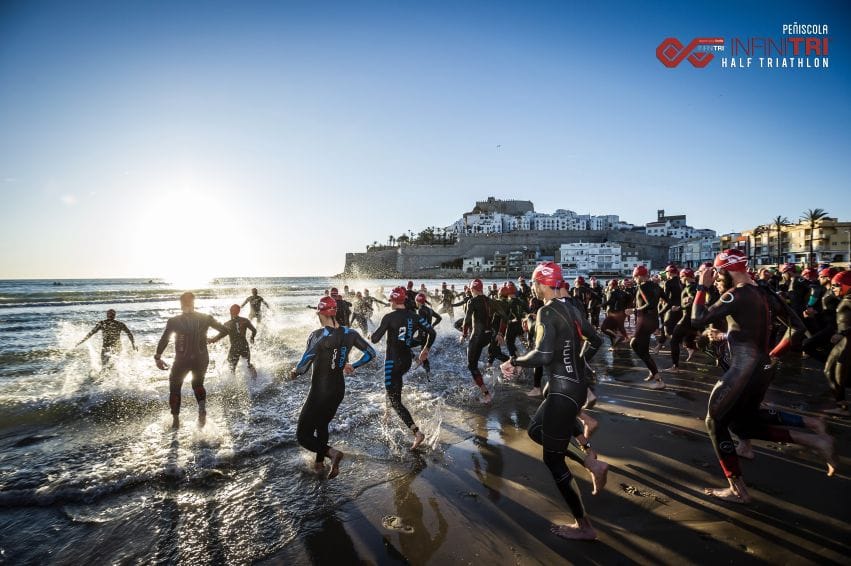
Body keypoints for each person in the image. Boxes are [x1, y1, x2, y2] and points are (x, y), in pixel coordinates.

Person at [691, 250, 835, 502]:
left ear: (727, 270)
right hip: (763, 369)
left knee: (715, 422)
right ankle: (813, 437)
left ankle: (737, 490)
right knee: (742, 424)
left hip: (742, 370)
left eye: (718, 273)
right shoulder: (765, 292)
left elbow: (697, 319)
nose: (717, 278)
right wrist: (772, 354)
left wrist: (701, 287)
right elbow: (797, 327)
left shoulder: (736, 294)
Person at [500, 262, 607, 541]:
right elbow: (595, 340)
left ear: (542, 283)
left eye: (534, 283)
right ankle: (589, 459)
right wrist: (579, 363)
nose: (533, 288)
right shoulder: (571, 308)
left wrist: (514, 361)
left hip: (562, 391)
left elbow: (543, 355)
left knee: (553, 459)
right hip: (574, 387)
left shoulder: (546, 311)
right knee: (536, 430)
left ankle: (584, 526)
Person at [291, 297, 376, 478]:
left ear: (321, 313)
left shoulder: (318, 335)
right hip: (338, 390)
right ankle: (319, 463)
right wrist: (353, 365)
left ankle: (332, 454)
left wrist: (294, 372)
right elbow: (371, 353)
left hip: (320, 390)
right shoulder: (350, 333)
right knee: (322, 425)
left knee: (303, 436)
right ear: (335, 312)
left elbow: (304, 364)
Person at [371, 287, 436, 449]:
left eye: (390, 301)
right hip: (406, 361)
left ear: (394, 301)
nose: (390, 303)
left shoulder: (389, 317)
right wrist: (425, 350)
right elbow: (432, 332)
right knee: (393, 388)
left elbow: (375, 339)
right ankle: (387, 413)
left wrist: (371, 334)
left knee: (395, 400)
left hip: (392, 362)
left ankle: (417, 433)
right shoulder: (414, 316)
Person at [154, 292, 228, 429]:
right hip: (202, 358)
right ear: (193, 302)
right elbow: (225, 330)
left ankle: (176, 420)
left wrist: (158, 356)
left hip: (182, 359)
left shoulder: (174, 321)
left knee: (175, 387)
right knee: (198, 384)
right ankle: (201, 408)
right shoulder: (206, 318)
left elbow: (165, 339)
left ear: (181, 304)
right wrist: (213, 339)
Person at [629, 266, 664, 389]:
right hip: (652, 321)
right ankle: (652, 371)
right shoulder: (657, 286)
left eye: (635, 277)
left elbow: (650, 304)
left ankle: (659, 380)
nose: (634, 279)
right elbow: (669, 302)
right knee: (642, 348)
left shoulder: (642, 287)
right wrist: (661, 312)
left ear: (639, 276)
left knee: (635, 345)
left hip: (644, 321)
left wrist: (634, 310)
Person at [461, 279, 496, 403]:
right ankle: (478, 380)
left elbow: (467, 319)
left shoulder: (472, 301)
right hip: (488, 336)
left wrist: (464, 334)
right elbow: (500, 315)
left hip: (477, 336)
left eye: (471, 289)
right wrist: (499, 333)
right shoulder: (489, 300)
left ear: (473, 289)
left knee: (471, 365)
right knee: (474, 361)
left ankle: (486, 394)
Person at [824, 270, 851, 415]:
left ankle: (842, 407)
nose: (833, 288)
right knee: (829, 371)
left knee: (838, 374)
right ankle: (841, 404)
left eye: (836, 285)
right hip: (843, 342)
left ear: (847, 285)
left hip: (847, 342)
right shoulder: (846, 298)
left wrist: (842, 333)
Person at [209, 304, 258, 378]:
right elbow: (254, 330)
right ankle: (256, 380)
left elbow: (221, 335)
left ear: (230, 311)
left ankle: (233, 382)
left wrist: (212, 340)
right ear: (238, 311)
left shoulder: (227, 324)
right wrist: (252, 337)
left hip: (235, 347)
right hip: (244, 345)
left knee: (231, 367)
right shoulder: (245, 320)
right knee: (248, 364)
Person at [413, 292, 442, 379]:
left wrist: (412, 331)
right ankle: (427, 372)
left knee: (406, 345)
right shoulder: (429, 309)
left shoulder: (420, 310)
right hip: (428, 335)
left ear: (417, 301)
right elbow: (439, 318)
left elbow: (420, 323)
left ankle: (417, 361)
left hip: (422, 335)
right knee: (423, 353)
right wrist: (432, 326)